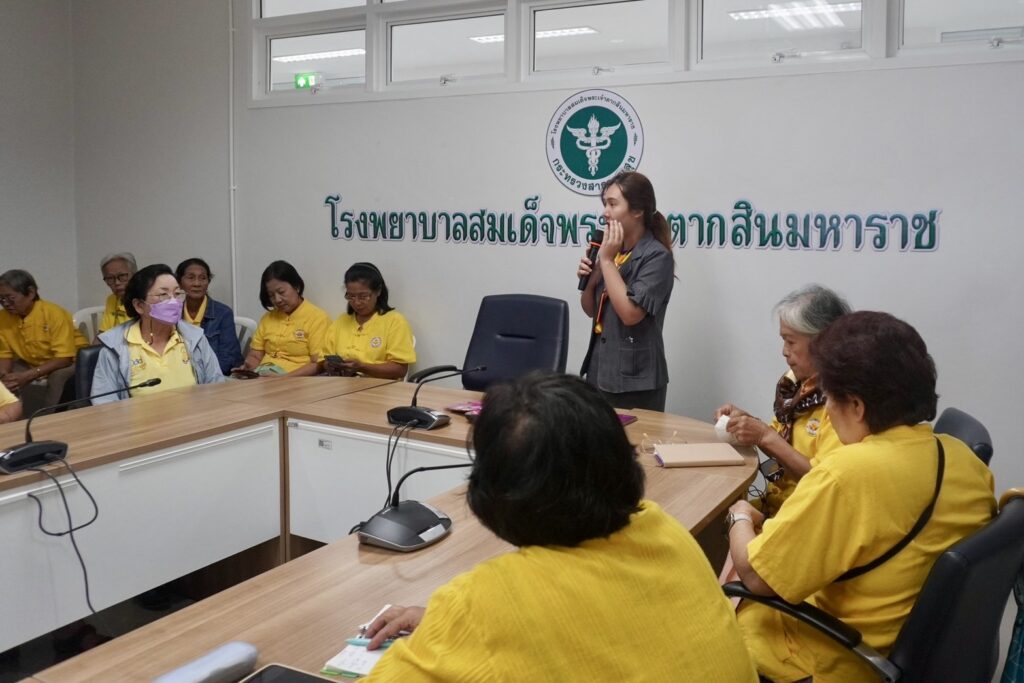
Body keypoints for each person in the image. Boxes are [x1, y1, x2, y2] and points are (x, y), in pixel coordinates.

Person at [363, 372, 758, 682]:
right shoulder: (663, 529)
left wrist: (453, 627)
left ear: (492, 491)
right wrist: (452, 628)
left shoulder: (482, 604)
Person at [727, 311, 996, 682]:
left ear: (856, 406)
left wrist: (739, 515)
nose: (827, 409)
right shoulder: (966, 461)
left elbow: (757, 576)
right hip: (916, 653)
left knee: (716, 618)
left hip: (837, 660)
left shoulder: (847, 475)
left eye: (829, 398)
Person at [715, 284, 851, 516]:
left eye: (790, 341)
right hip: (776, 503)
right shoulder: (796, 387)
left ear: (823, 342)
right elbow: (780, 448)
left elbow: (825, 483)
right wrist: (747, 424)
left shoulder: (841, 402)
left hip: (804, 514)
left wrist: (764, 436)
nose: (784, 351)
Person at [577, 171, 674, 411]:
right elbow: (590, 310)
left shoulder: (657, 256)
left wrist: (606, 262)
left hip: (635, 380)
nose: (605, 212)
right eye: (604, 204)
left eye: (612, 204)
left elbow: (631, 314)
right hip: (599, 370)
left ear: (637, 211)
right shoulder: (614, 252)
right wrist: (592, 276)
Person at [92, 264, 224, 404]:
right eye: (163, 295)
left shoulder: (195, 339)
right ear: (139, 305)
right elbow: (104, 403)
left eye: (177, 294)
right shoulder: (115, 347)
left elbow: (217, 388)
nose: (173, 301)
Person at [0, 269, 87, 415]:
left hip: (70, 361)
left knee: (58, 377)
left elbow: (64, 358)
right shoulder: (2, 318)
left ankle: (49, 419)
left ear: (31, 293)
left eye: (10, 298)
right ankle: (12, 418)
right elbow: (4, 354)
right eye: (1, 299)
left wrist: (28, 375)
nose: (5, 303)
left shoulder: (54, 313)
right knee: (7, 377)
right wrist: (4, 375)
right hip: (32, 361)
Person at [318, 262, 415, 380]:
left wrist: (362, 367)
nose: (357, 302)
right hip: (343, 385)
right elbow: (323, 360)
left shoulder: (395, 321)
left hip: (379, 387)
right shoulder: (342, 321)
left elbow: (400, 370)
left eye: (363, 296)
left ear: (378, 291)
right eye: (351, 296)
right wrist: (330, 365)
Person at [235, 260, 329, 377]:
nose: (277, 300)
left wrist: (284, 378)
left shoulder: (317, 318)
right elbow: (255, 355)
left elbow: (318, 364)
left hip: (295, 380)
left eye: (281, 292)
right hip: (263, 377)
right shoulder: (267, 318)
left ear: (296, 286)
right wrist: (249, 368)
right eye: (271, 295)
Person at [175, 258, 243, 375]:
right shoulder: (173, 313)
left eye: (203, 278)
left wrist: (200, 378)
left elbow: (229, 358)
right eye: (191, 278)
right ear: (179, 282)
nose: (197, 283)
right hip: (182, 375)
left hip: (214, 377)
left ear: (208, 282)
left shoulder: (223, 313)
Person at [98, 252, 138, 334]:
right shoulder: (112, 299)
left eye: (122, 276)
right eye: (110, 278)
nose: (117, 283)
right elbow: (102, 334)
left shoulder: (144, 302)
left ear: (135, 275)